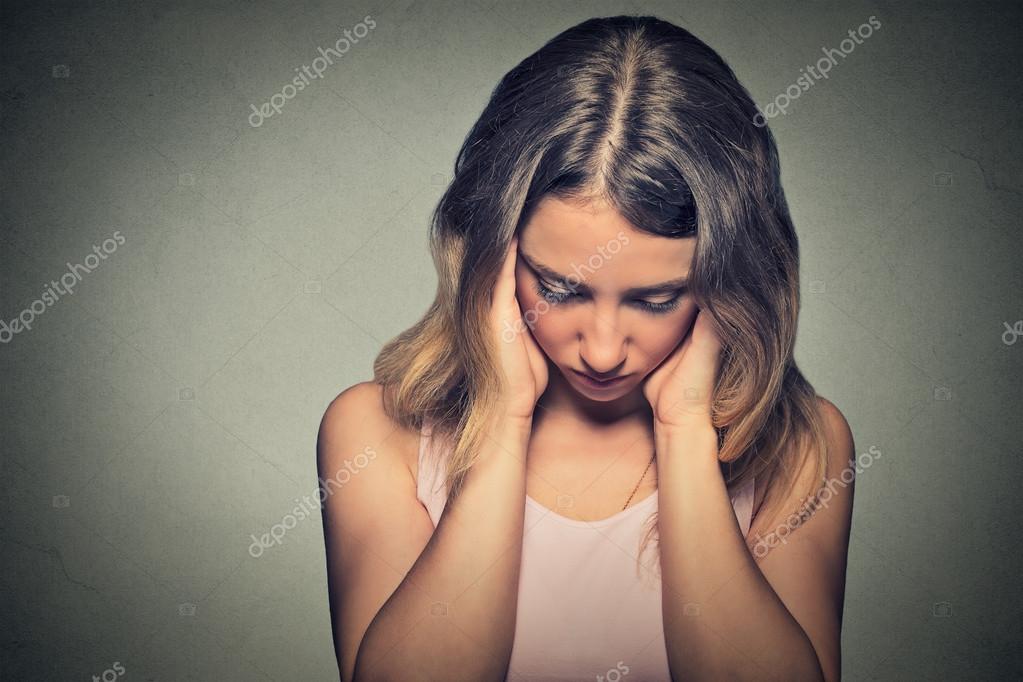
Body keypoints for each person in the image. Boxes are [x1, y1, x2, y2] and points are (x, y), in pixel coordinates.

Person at [318, 14, 855, 682]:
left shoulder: (801, 447)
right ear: (490, 257)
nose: (602, 352)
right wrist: (504, 414)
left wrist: (683, 430)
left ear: (729, 281)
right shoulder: (374, 433)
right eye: (560, 289)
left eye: (655, 299)